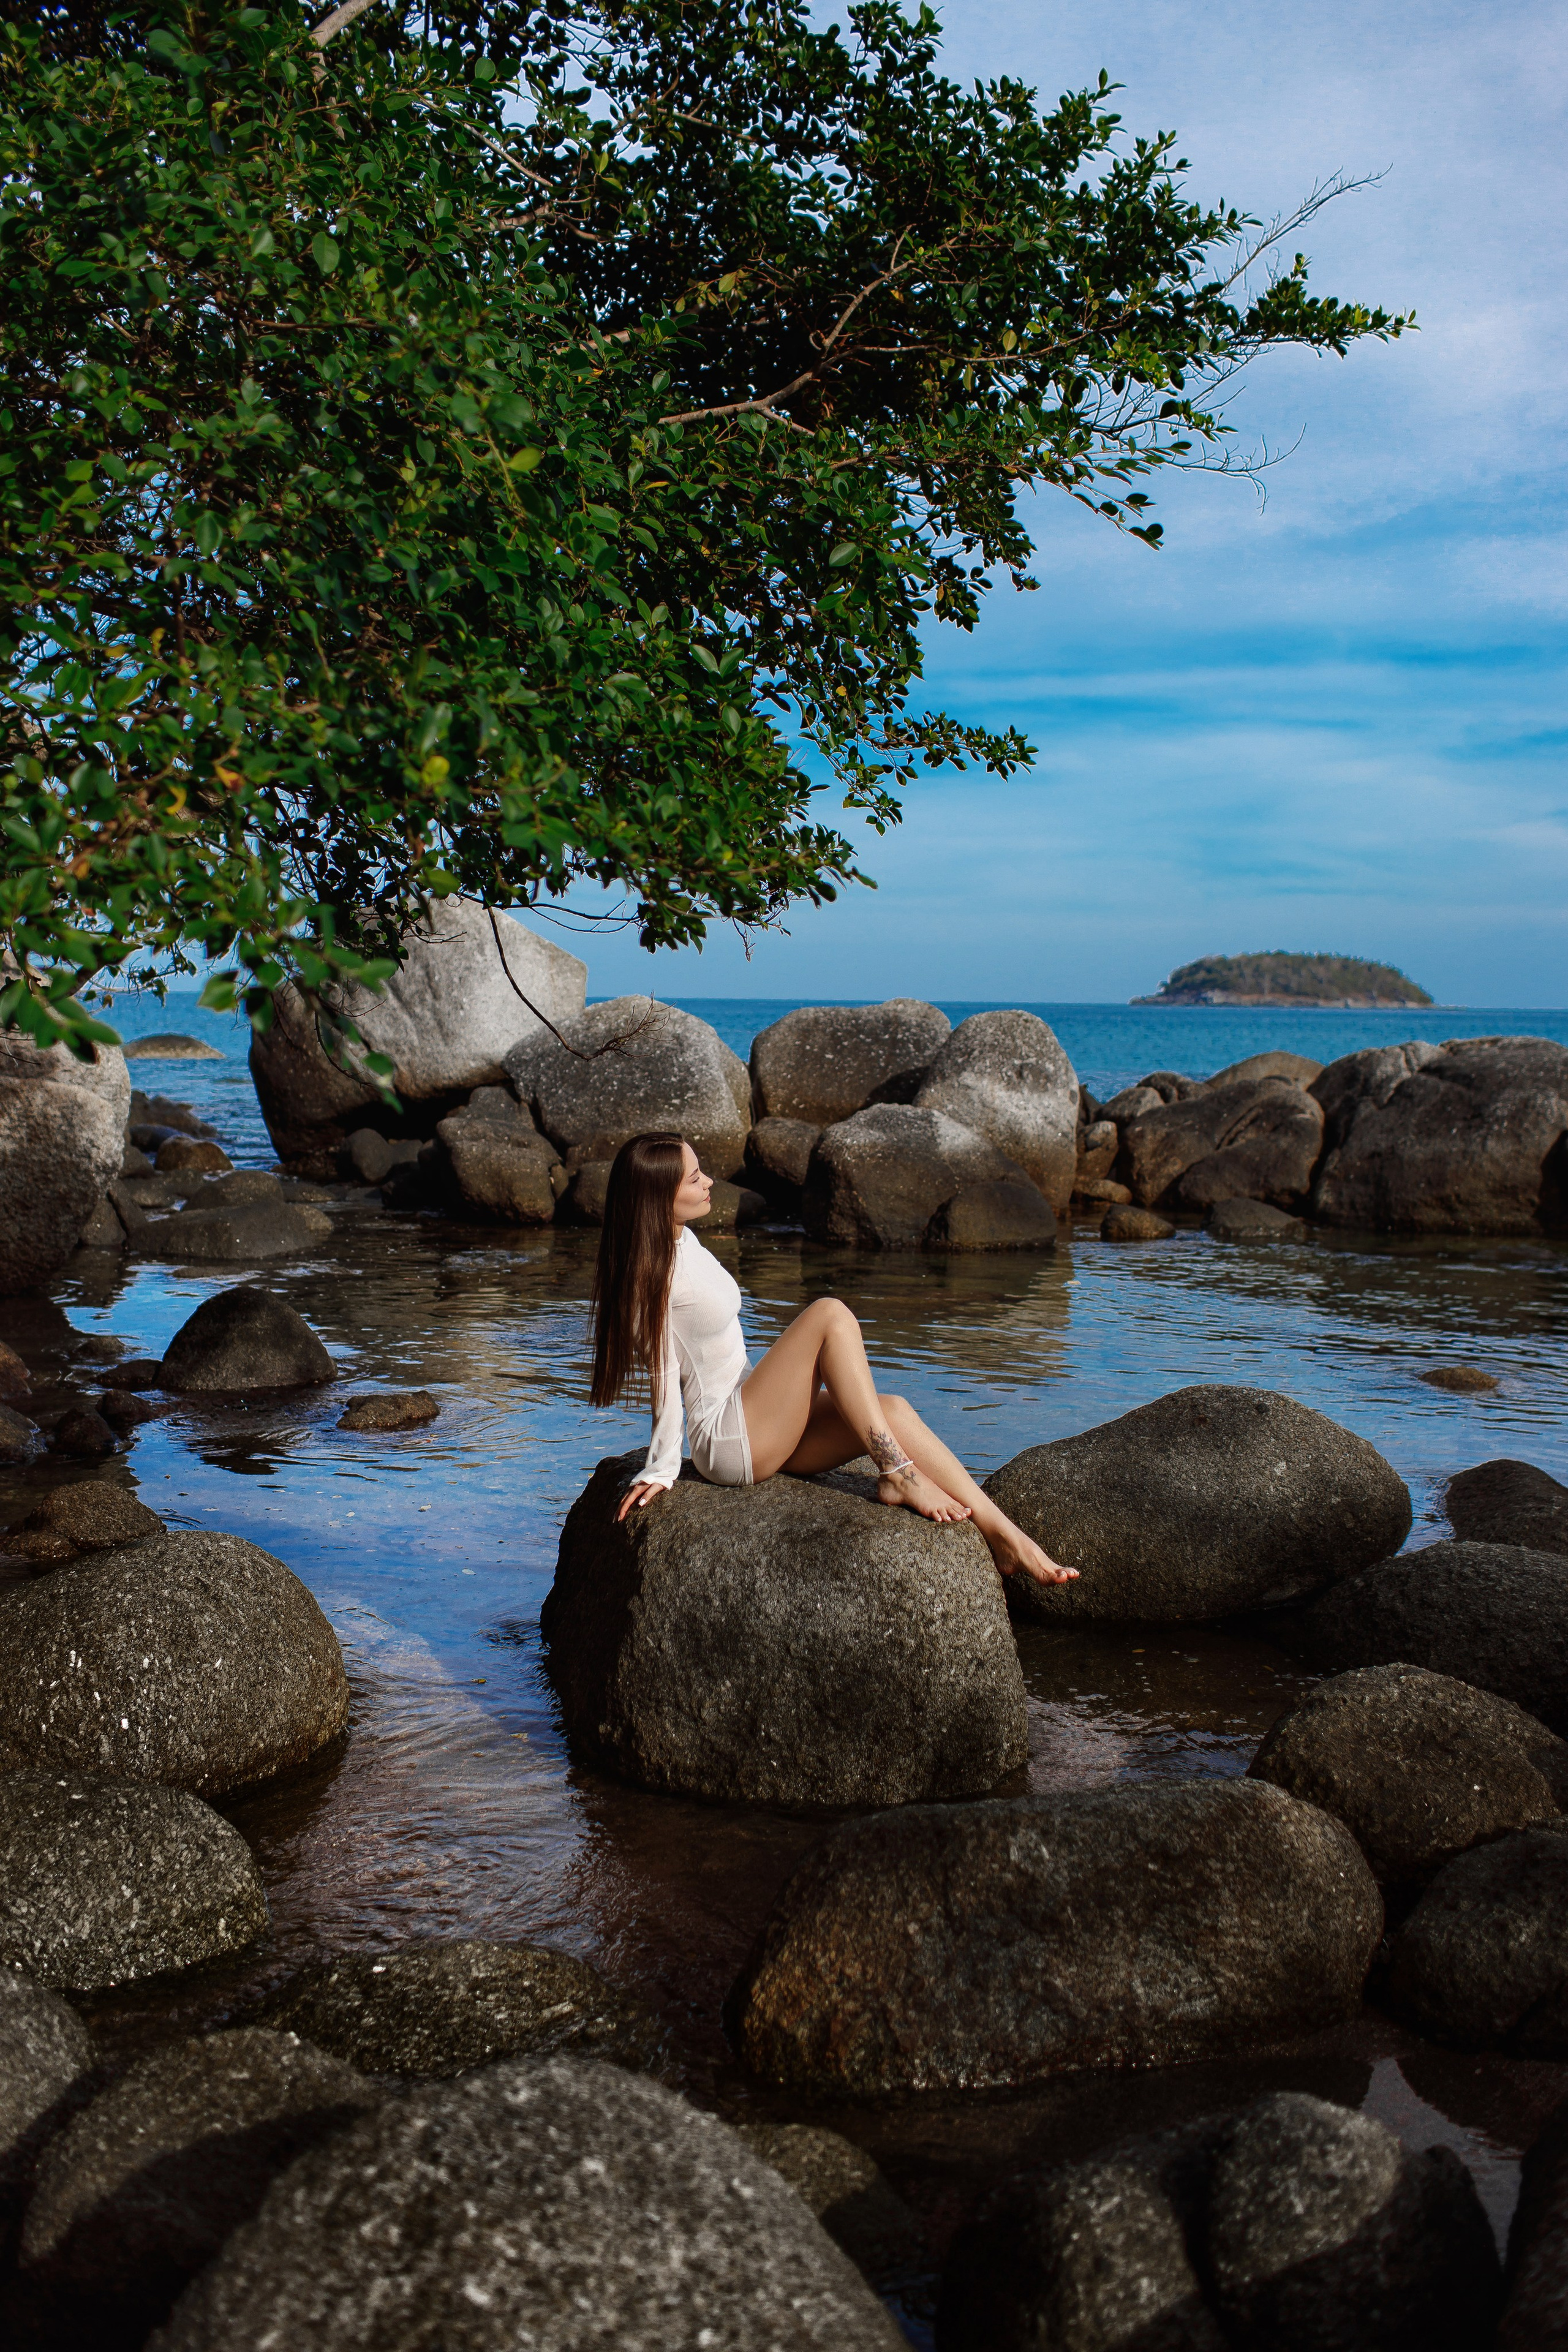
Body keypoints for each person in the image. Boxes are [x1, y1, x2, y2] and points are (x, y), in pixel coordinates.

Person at [590, 1131, 1078, 1591]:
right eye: (694, 1179)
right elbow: (663, 1383)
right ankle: (898, 1475)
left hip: (754, 1416)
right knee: (830, 1315)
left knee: (893, 1411)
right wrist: (659, 1467)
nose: (709, 1182)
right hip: (729, 1440)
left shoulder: (683, 1241)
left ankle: (1005, 1537)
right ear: (658, 1197)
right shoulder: (650, 1279)